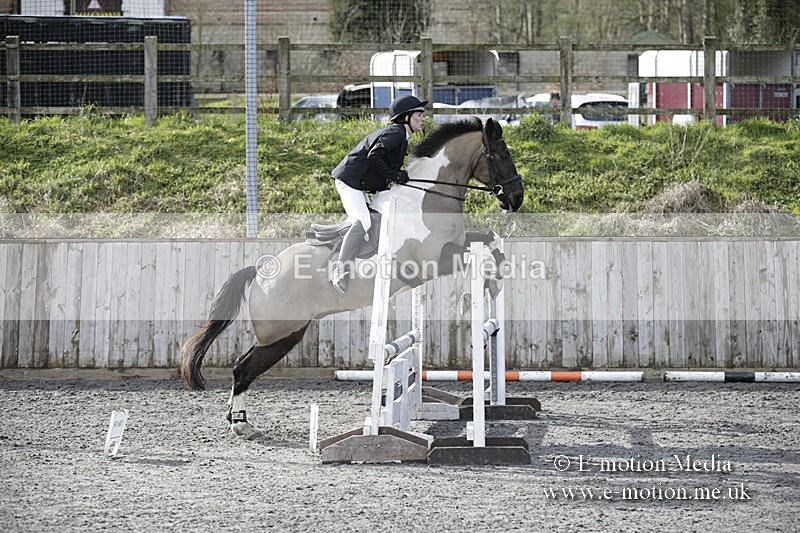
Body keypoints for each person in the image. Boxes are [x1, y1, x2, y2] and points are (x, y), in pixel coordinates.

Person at [329, 94, 427, 293]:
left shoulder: (400, 136)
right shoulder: (396, 133)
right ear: (405, 117)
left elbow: (380, 164)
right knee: (363, 221)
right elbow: (375, 155)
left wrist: (396, 177)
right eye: (419, 115)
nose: (422, 119)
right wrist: (394, 175)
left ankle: (398, 267)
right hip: (350, 182)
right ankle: (341, 271)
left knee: (379, 222)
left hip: (360, 184)